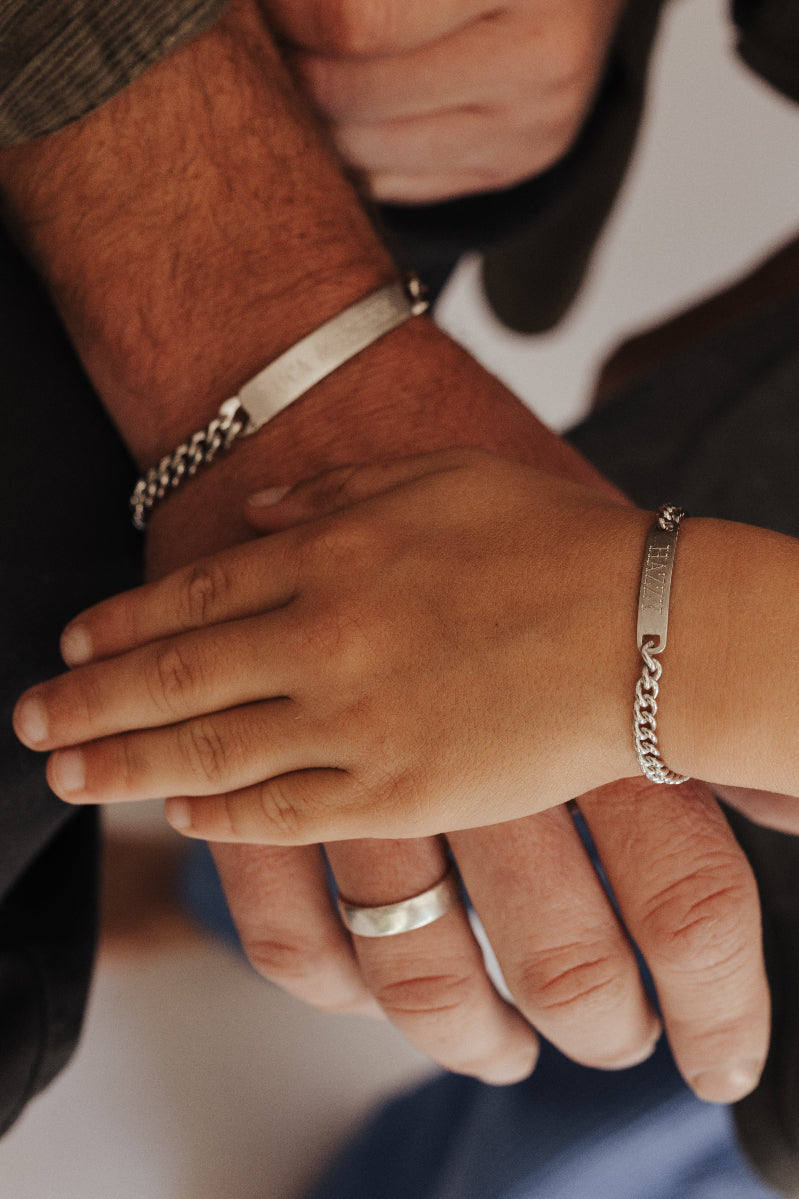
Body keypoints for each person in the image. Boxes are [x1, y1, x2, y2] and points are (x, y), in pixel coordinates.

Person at [0, 0, 796, 1176]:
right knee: (450, 846)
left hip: (616, 604)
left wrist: (708, 643)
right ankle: (199, 895)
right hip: (620, 565)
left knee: (613, 1024)